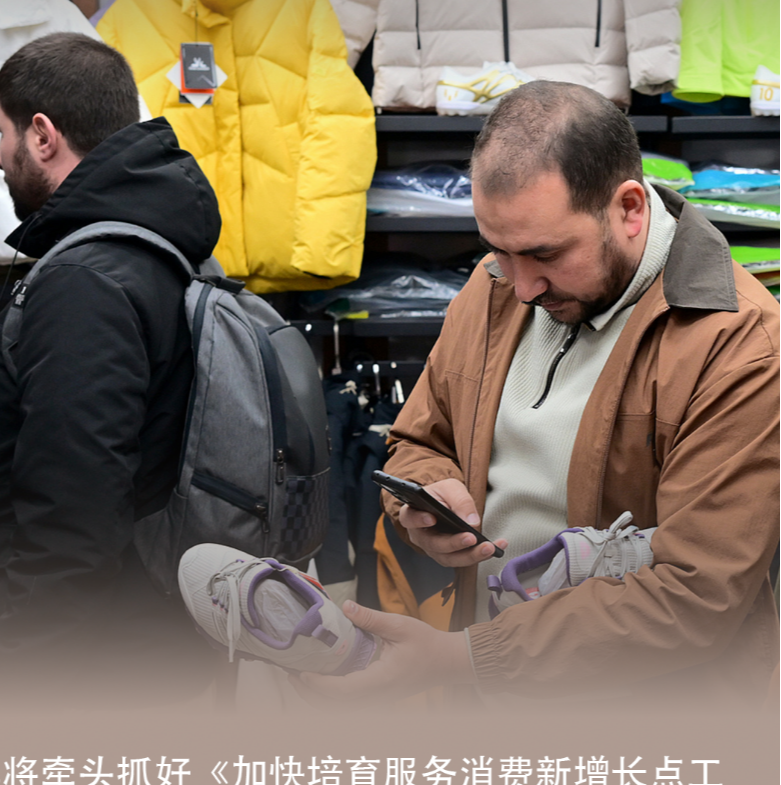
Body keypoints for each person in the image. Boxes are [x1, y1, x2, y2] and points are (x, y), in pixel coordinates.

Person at [334, 81, 780, 701]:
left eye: (545, 253)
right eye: (499, 249)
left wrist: (472, 657)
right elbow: (418, 439)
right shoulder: (492, 286)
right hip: (490, 685)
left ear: (629, 209)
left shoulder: (738, 343)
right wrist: (426, 501)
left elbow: (696, 590)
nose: (522, 287)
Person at [0, 32, 222, 693]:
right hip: (153, 642)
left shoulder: (86, 283)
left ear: (42, 136)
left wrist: (22, 677)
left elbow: (72, 520)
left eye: (2, 133)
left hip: (88, 668)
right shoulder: (162, 249)